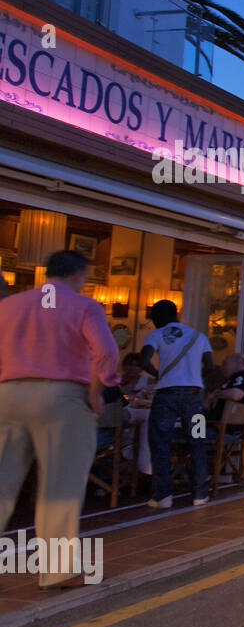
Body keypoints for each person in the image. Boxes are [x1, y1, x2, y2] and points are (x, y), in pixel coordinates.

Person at [0, 251, 119, 588]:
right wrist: (97, 392)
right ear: (81, 274)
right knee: (59, 486)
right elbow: (106, 354)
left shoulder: (8, 306)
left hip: (8, 393)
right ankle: (58, 570)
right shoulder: (84, 306)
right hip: (61, 397)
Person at [140, 298, 213, 509]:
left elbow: (143, 361)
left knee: (160, 441)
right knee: (198, 441)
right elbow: (210, 365)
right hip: (193, 398)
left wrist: (159, 374)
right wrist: (195, 378)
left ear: (158, 317)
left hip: (166, 396)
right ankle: (200, 494)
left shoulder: (155, 335)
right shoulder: (199, 336)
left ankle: (163, 495)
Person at [203, 352, 244, 434]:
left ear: (237, 364)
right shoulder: (230, 380)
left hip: (219, 429)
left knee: (190, 433)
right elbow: (206, 406)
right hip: (214, 426)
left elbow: (236, 394)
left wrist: (216, 394)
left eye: (225, 363)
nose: (222, 367)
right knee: (190, 428)